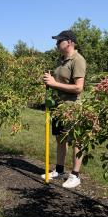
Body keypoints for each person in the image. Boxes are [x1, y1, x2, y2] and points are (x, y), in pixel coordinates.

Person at [41, 30, 86, 188]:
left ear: (70, 42)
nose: (56, 43)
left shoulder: (78, 60)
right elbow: (57, 83)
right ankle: (59, 171)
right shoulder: (60, 61)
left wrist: (54, 83)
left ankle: (75, 175)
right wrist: (50, 84)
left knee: (76, 141)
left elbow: (78, 88)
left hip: (72, 107)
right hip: (59, 107)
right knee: (60, 139)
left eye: (59, 41)